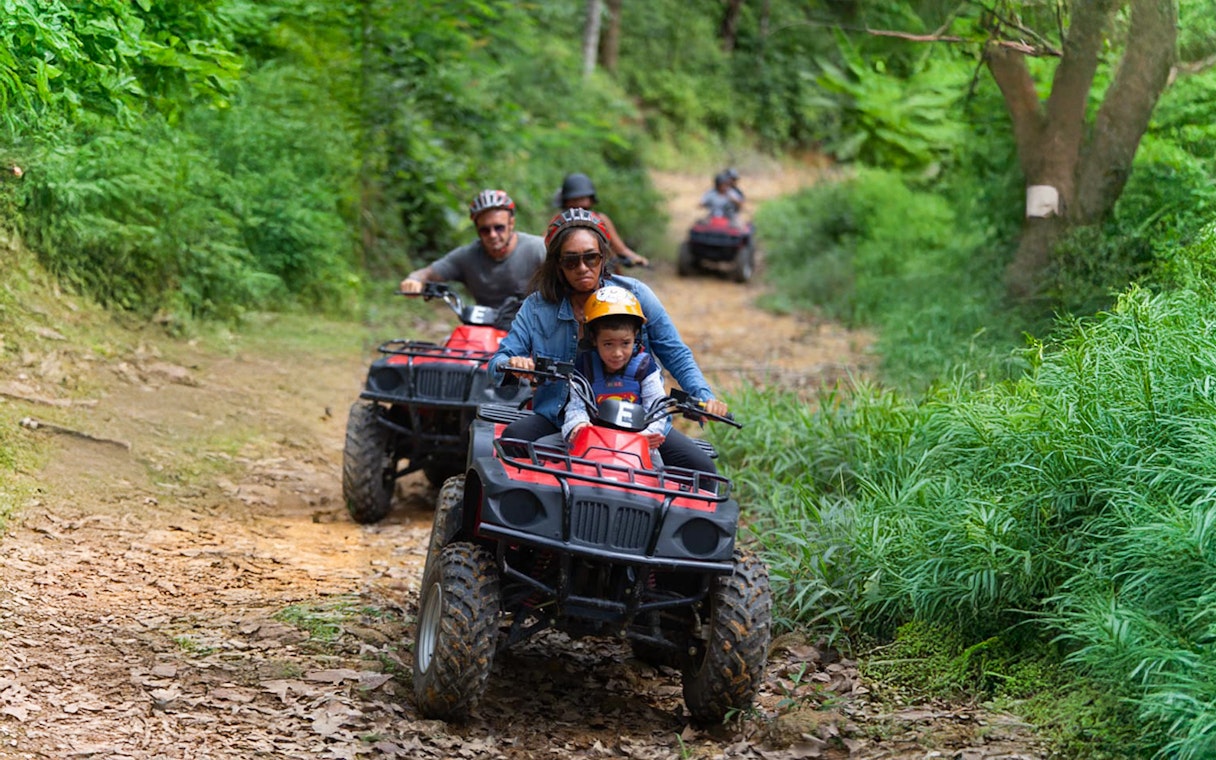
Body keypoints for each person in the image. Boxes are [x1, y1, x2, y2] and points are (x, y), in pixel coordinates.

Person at [489, 208, 727, 473]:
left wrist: (704, 398)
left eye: (590, 258)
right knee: (511, 444)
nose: (582, 268)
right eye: (571, 261)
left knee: (703, 471)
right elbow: (498, 362)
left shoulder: (636, 295)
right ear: (557, 265)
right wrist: (515, 364)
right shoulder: (537, 307)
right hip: (560, 419)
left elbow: (675, 353)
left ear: (604, 257)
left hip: (638, 422)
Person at [560, 286, 666, 456]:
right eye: (608, 344)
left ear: (636, 337)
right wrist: (578, 425)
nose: (617, 353)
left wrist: (647, 434)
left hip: (637, 443)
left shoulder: (645, 367)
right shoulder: (585, 366)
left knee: (656, 472)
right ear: (594, 339)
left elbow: (657, 408)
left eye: (625, 343)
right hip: (592, 442)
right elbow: (576, 406)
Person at [399, 189, 545, 309]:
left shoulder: (537, 249)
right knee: (449, 343)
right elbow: (428, 273)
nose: (492, 235)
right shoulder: (467, 256)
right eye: (485, 230)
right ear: (476, 229)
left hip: (532, 330)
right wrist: (414, 280)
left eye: (499, 228)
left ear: (511, 224)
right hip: (485, 332)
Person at [555, 173, 649, 268]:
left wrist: (637, 258)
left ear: (591, 200)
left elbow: (620, 249)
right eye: (575, 199)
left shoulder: (600, 219)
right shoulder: (559, 221)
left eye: (582, 198)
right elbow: (544, 246)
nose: (579, 205)